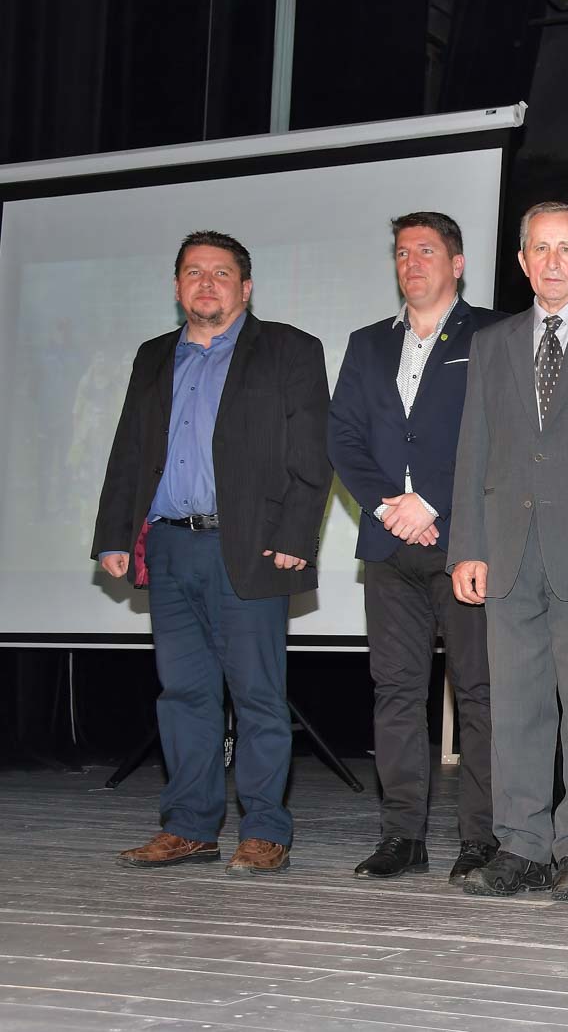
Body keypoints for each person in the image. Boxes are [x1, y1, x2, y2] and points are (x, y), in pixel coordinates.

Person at [93, 230, 332, 875]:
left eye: (221, 273)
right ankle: (189, 827)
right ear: (177, 288)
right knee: (184, 695)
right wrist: (114, 533)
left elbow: (313, 453)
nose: (206, 283)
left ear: (245, 287)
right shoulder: (153, 356)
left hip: (249, 546)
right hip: (170, 544)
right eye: (194, 272)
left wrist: (296, 536)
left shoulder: (289, 349)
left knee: (257, 694)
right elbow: (129, 449)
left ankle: (265, 829)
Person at [448, 202, 568, 900]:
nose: (553, 261)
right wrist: (467, 545)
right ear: (523, 262)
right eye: (540, 248)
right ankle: (521, 845)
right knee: (516, 708)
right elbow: (473, 446)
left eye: (567, 249)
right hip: (506, 549)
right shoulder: (493, 342)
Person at [327, 212, 503, 885]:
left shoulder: (492, 334)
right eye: (402, 252)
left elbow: (497, 432)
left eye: (427, 251)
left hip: (465, 542)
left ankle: (482, 839)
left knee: (480, 694)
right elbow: (343, 436)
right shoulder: (368, 343)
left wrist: (430, 501)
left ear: (457, 264)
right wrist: (387, 506)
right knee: (396, 692)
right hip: (388, 546)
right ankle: (402, 836)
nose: (412, 262)